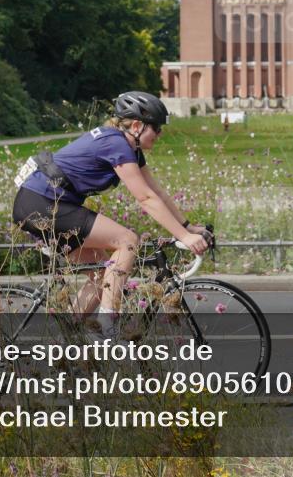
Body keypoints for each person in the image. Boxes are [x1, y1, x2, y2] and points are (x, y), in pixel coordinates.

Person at [12, 91, 209, 336]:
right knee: (127, 240)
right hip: (40, 203)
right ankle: (108, 330)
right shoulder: (115, 143)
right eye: (156, 128)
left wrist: (187, 228)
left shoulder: (130, 148)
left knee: (102, 277)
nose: (160, 134)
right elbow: (145, 199)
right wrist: (184, 237)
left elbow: (156, 192)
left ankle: (66, 344)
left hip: (46, 203)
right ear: (136, 125)